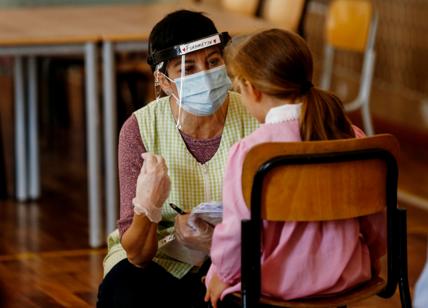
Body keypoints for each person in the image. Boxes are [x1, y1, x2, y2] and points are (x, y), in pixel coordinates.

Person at [204, 29, 386, 308]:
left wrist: (221, 274)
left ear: (252, 89)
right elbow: (375, 221)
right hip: (348, 278)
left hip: (276, 286)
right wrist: (370, 256)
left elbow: (237, 234)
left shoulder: (250, 153)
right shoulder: (354, 138)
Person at [96, 10, 258, 308]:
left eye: (212, 62)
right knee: (123, 290)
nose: (204, 75)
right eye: (187, 68)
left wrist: (223, 239)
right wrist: (150, 207)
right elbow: (137, 255)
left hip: (240, 249)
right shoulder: (140, 129)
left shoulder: (252, 112)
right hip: (162, 254)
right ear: (164, 80)